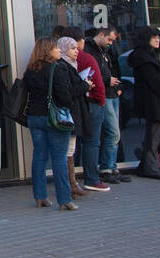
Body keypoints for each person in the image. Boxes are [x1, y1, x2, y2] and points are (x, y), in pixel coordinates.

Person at [23, 37, 77, 210]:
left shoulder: (30, 70)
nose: (59, 50)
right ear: (48, 50)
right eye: (56, 48)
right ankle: (65, 199)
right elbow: (64, 96)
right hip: (54, 118)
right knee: (59, 159)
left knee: (39, 156)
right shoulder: (57, 69)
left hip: (34, 116)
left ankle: (40, 196)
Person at [58, 31, 108, 194]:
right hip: (76, 108)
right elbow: (68, 91)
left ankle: (71, 183)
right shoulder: (64, 67)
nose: (77, 50)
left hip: (77, 108)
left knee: (73, 146)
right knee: (85, 143)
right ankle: (78, 183)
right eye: (73, 47)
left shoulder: (69, 64)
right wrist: (87, 87)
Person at [85, 27, 129, 184]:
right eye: (109, 39)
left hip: (111, 93)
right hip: (103, 95)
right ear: (101, 35)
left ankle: (112, 166)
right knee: (113, 133)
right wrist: (107, 82)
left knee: (113, 133)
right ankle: (107, 168)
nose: (111, 43)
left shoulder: (104, 50)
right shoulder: (90, 50)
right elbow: (92, 74)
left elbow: (110, 70)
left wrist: (117, 88)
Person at [130, 26, 160, 180]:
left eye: (158, 37)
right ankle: (152, 168)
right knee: (153, 137)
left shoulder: (148, 56)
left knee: (153, 135)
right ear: (146, 39)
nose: (157, 40)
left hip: (154, 102)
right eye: (154, 37)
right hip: (153, 102)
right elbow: (156, 83)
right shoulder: (145, 59)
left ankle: (146, 166)